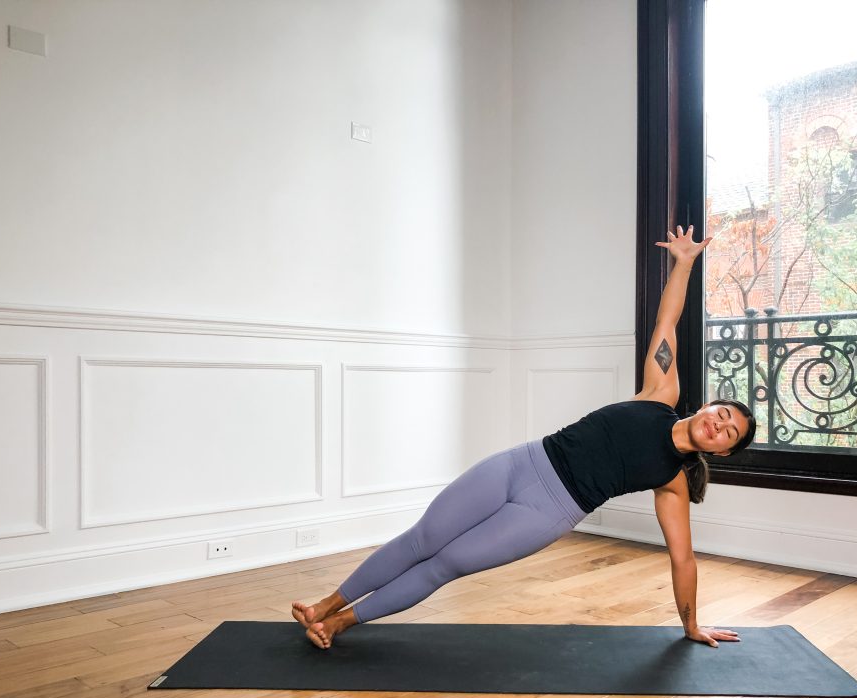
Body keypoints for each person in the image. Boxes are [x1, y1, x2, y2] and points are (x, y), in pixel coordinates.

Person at [292, 225, 756, 650]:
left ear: (724, 450)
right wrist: (685, 263)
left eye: (729, 433)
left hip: (548, 511)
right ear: (706, 407)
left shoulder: (671, 481)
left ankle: (339, 624)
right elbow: (666, 324)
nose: (719, 424)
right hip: (522, 463)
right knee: (423, 538)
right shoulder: (659, 393)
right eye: (722, 413)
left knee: (445, 564)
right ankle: (323, 606)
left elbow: (684, 561)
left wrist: (691, 625)